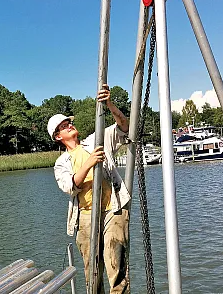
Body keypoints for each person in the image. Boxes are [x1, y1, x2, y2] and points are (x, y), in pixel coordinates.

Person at [47, 84, 131, 294]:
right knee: (92, 272)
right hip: (85, 217)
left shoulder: (96, 140)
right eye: (63, 126)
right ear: (58, 136)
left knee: (117, 266)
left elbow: (124, 126)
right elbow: (69, 186)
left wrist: (109, 104)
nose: (68, 125)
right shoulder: (61, 162)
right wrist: (90, 163)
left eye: (68, 122)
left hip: (113, 208)